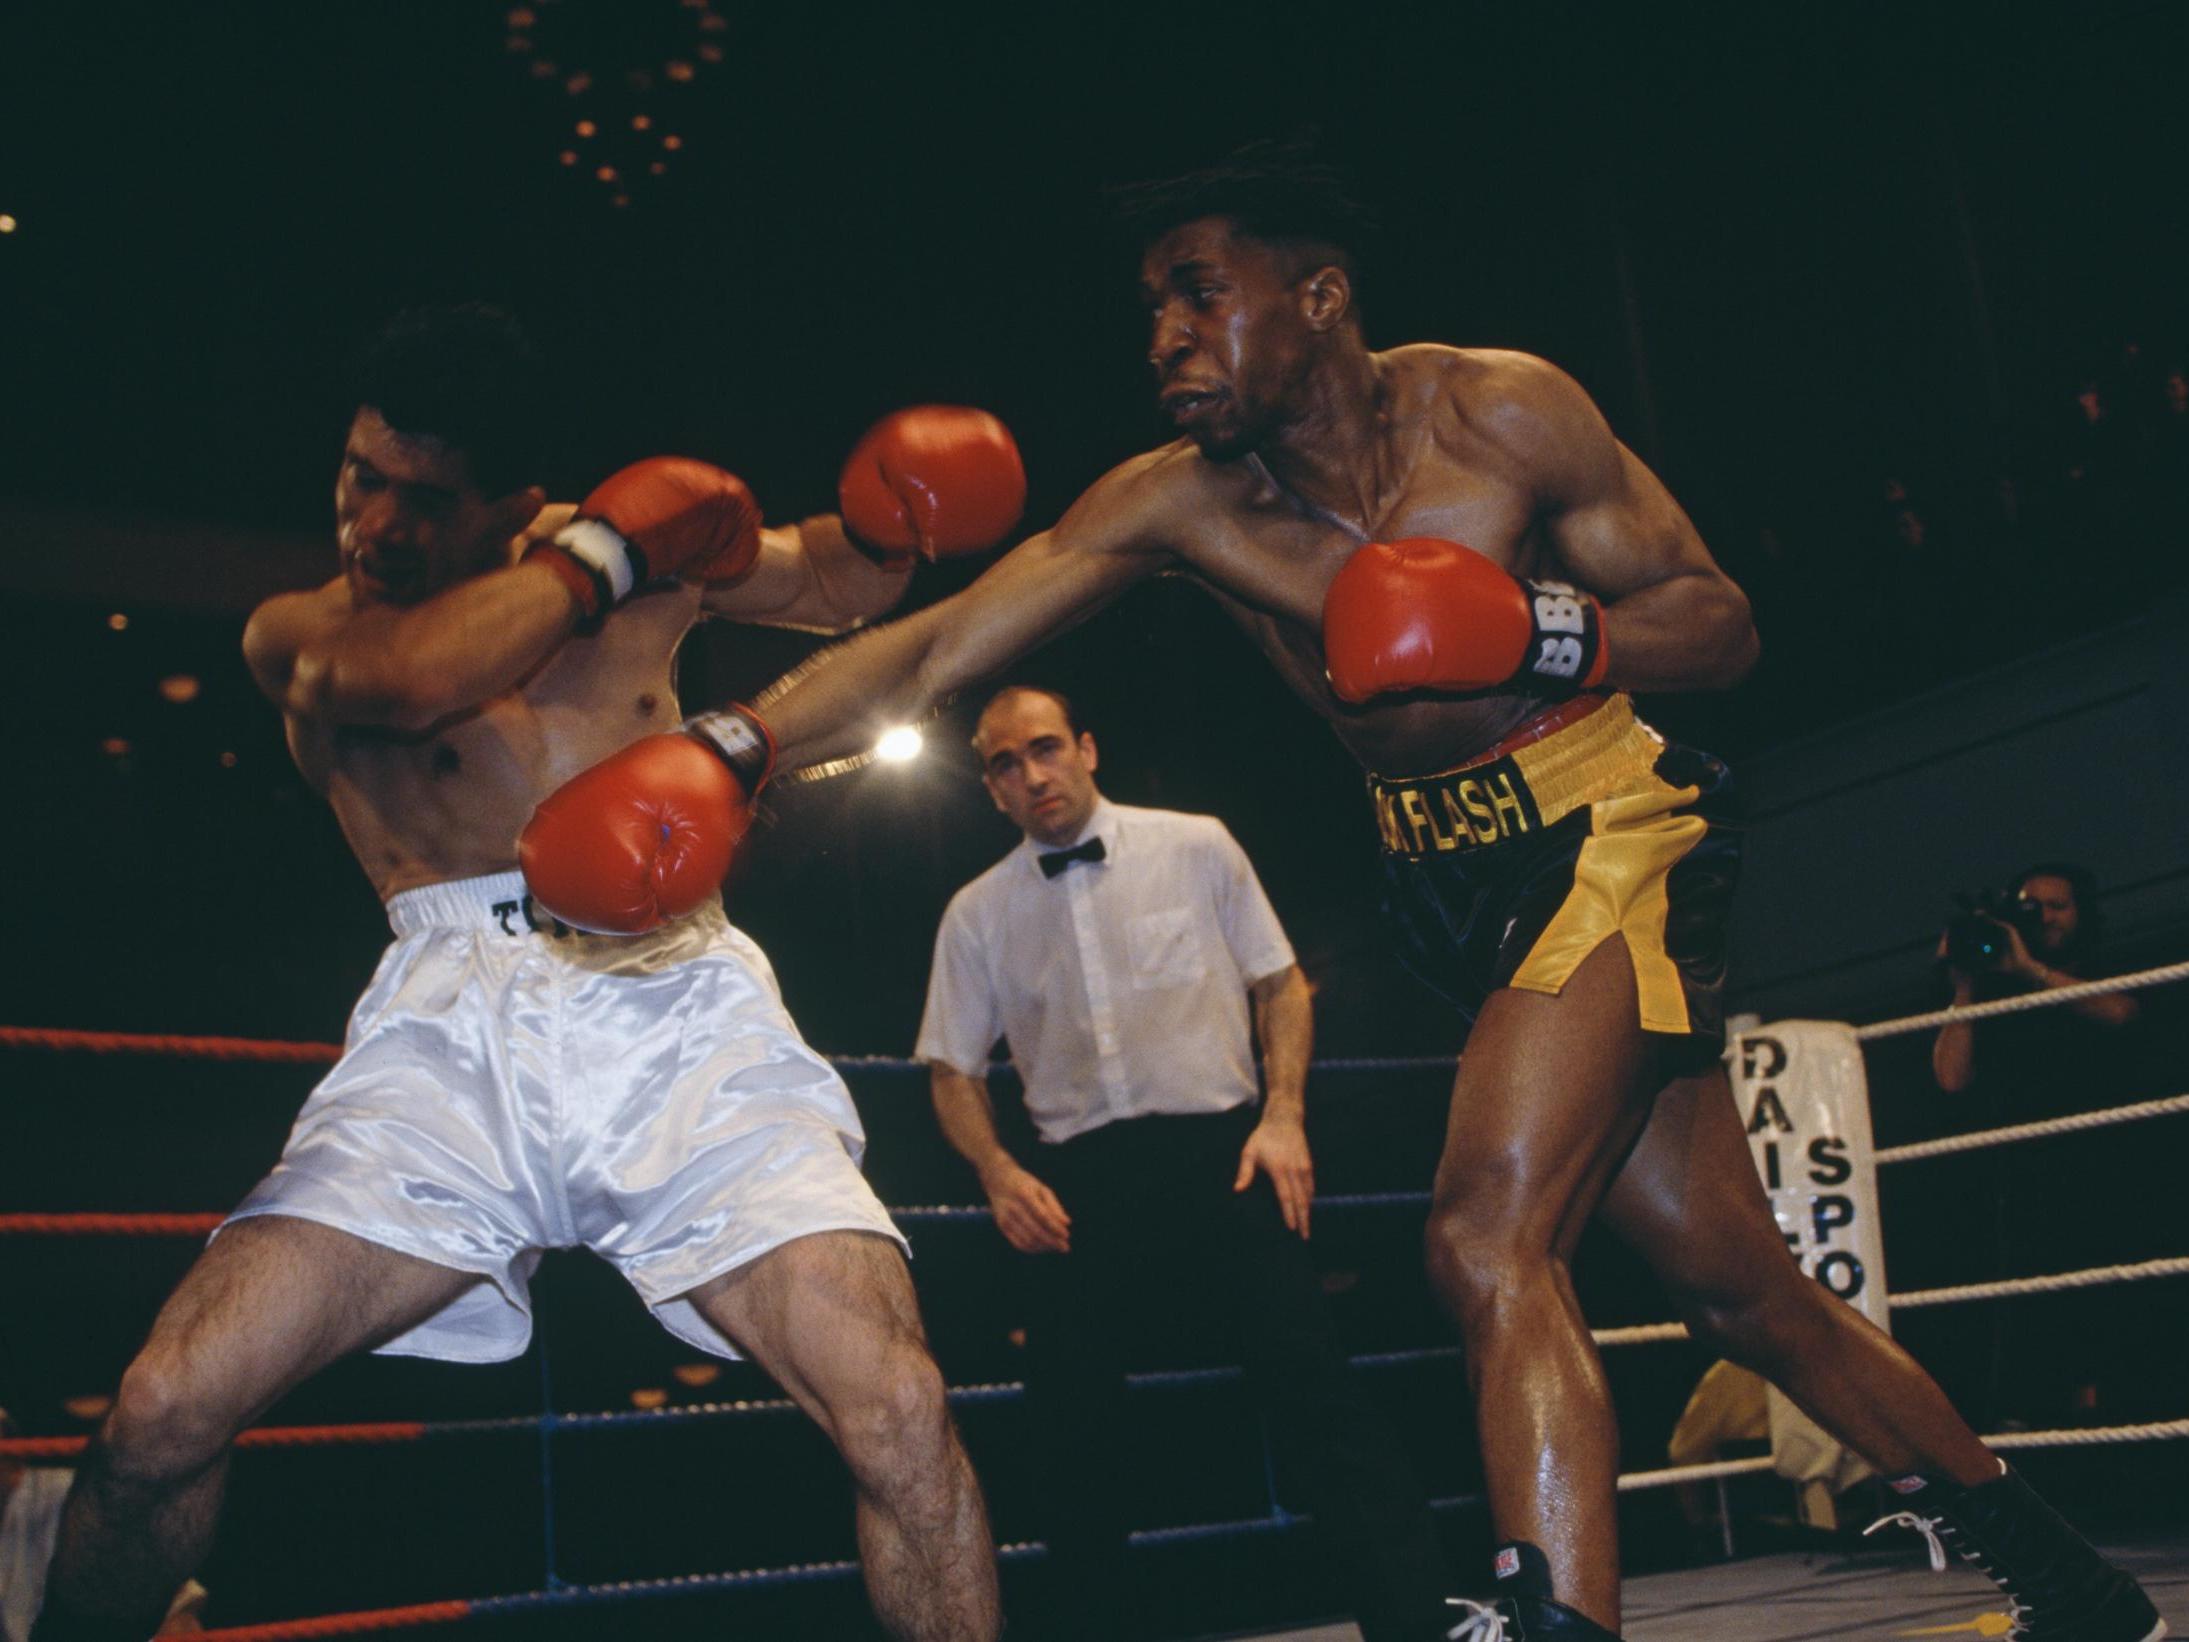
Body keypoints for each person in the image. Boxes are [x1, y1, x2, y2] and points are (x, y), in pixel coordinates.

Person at [526, 150, 2163, 1641]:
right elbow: (945, 642)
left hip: (1610, 823)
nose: (1161, 336)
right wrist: (733, 743)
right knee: (1738, 1285)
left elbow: (1715, 623)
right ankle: (2066, 1582)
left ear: (1314, 296)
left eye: (1196, 292)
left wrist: (1535, 629)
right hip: (1441, 878)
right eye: (1147, 305)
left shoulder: (1503, 412)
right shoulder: (1173, 501)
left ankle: (1550, 1625)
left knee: (1479, 1236)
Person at [30, 306, 1020, 1642]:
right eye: (358, 476)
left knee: (899, 1409)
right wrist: (609, 547)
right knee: (161, 1407)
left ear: (516, 505)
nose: (375, 523)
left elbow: (832, 587)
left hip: (679, 1005)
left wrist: (894, 526)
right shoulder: (304, 630)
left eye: (423, 500)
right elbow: (408, 680)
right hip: (447, 1038)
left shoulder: (635, 562)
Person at [918, 685, 1454, 1640]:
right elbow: (950, 1069)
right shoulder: (976, 912)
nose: (1031, 774)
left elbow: (1280, 983)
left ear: (1086, 748)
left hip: (1224, 1156)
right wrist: (998, 1173)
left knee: (1318, 1397)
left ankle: (1412, 1626)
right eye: (1005, 762)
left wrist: (1283, 1115)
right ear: (990, 787)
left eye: (1044, 748)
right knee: (1068, 1437)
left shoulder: (1196, 844)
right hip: (1073, 1181)